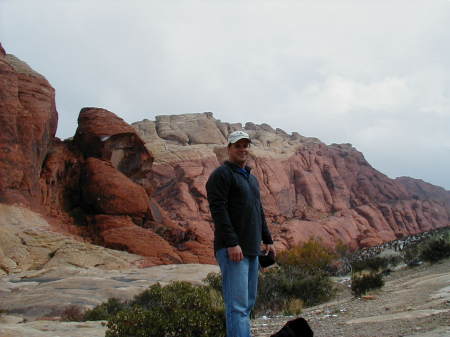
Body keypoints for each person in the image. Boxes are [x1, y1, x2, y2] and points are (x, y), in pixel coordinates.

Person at [206, 130, 275, 337]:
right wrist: (232, 243)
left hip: (252, 248)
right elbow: (218, 210)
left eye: (246, 145)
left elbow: (258, 210)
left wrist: (267, 239)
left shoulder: (250, 179)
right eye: (238, 146)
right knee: (237, 307)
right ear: (229, 148)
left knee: (247, 304)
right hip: (233, 250)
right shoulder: (221, 175)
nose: (242, 149)